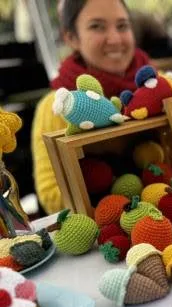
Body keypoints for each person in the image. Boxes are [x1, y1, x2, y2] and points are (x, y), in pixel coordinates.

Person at [32, 0, 152, 215]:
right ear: (71, 38)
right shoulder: (57, 106)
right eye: (97, 26)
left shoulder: (155, 84)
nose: (115, 39)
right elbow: (52, 193)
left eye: (122, 26)